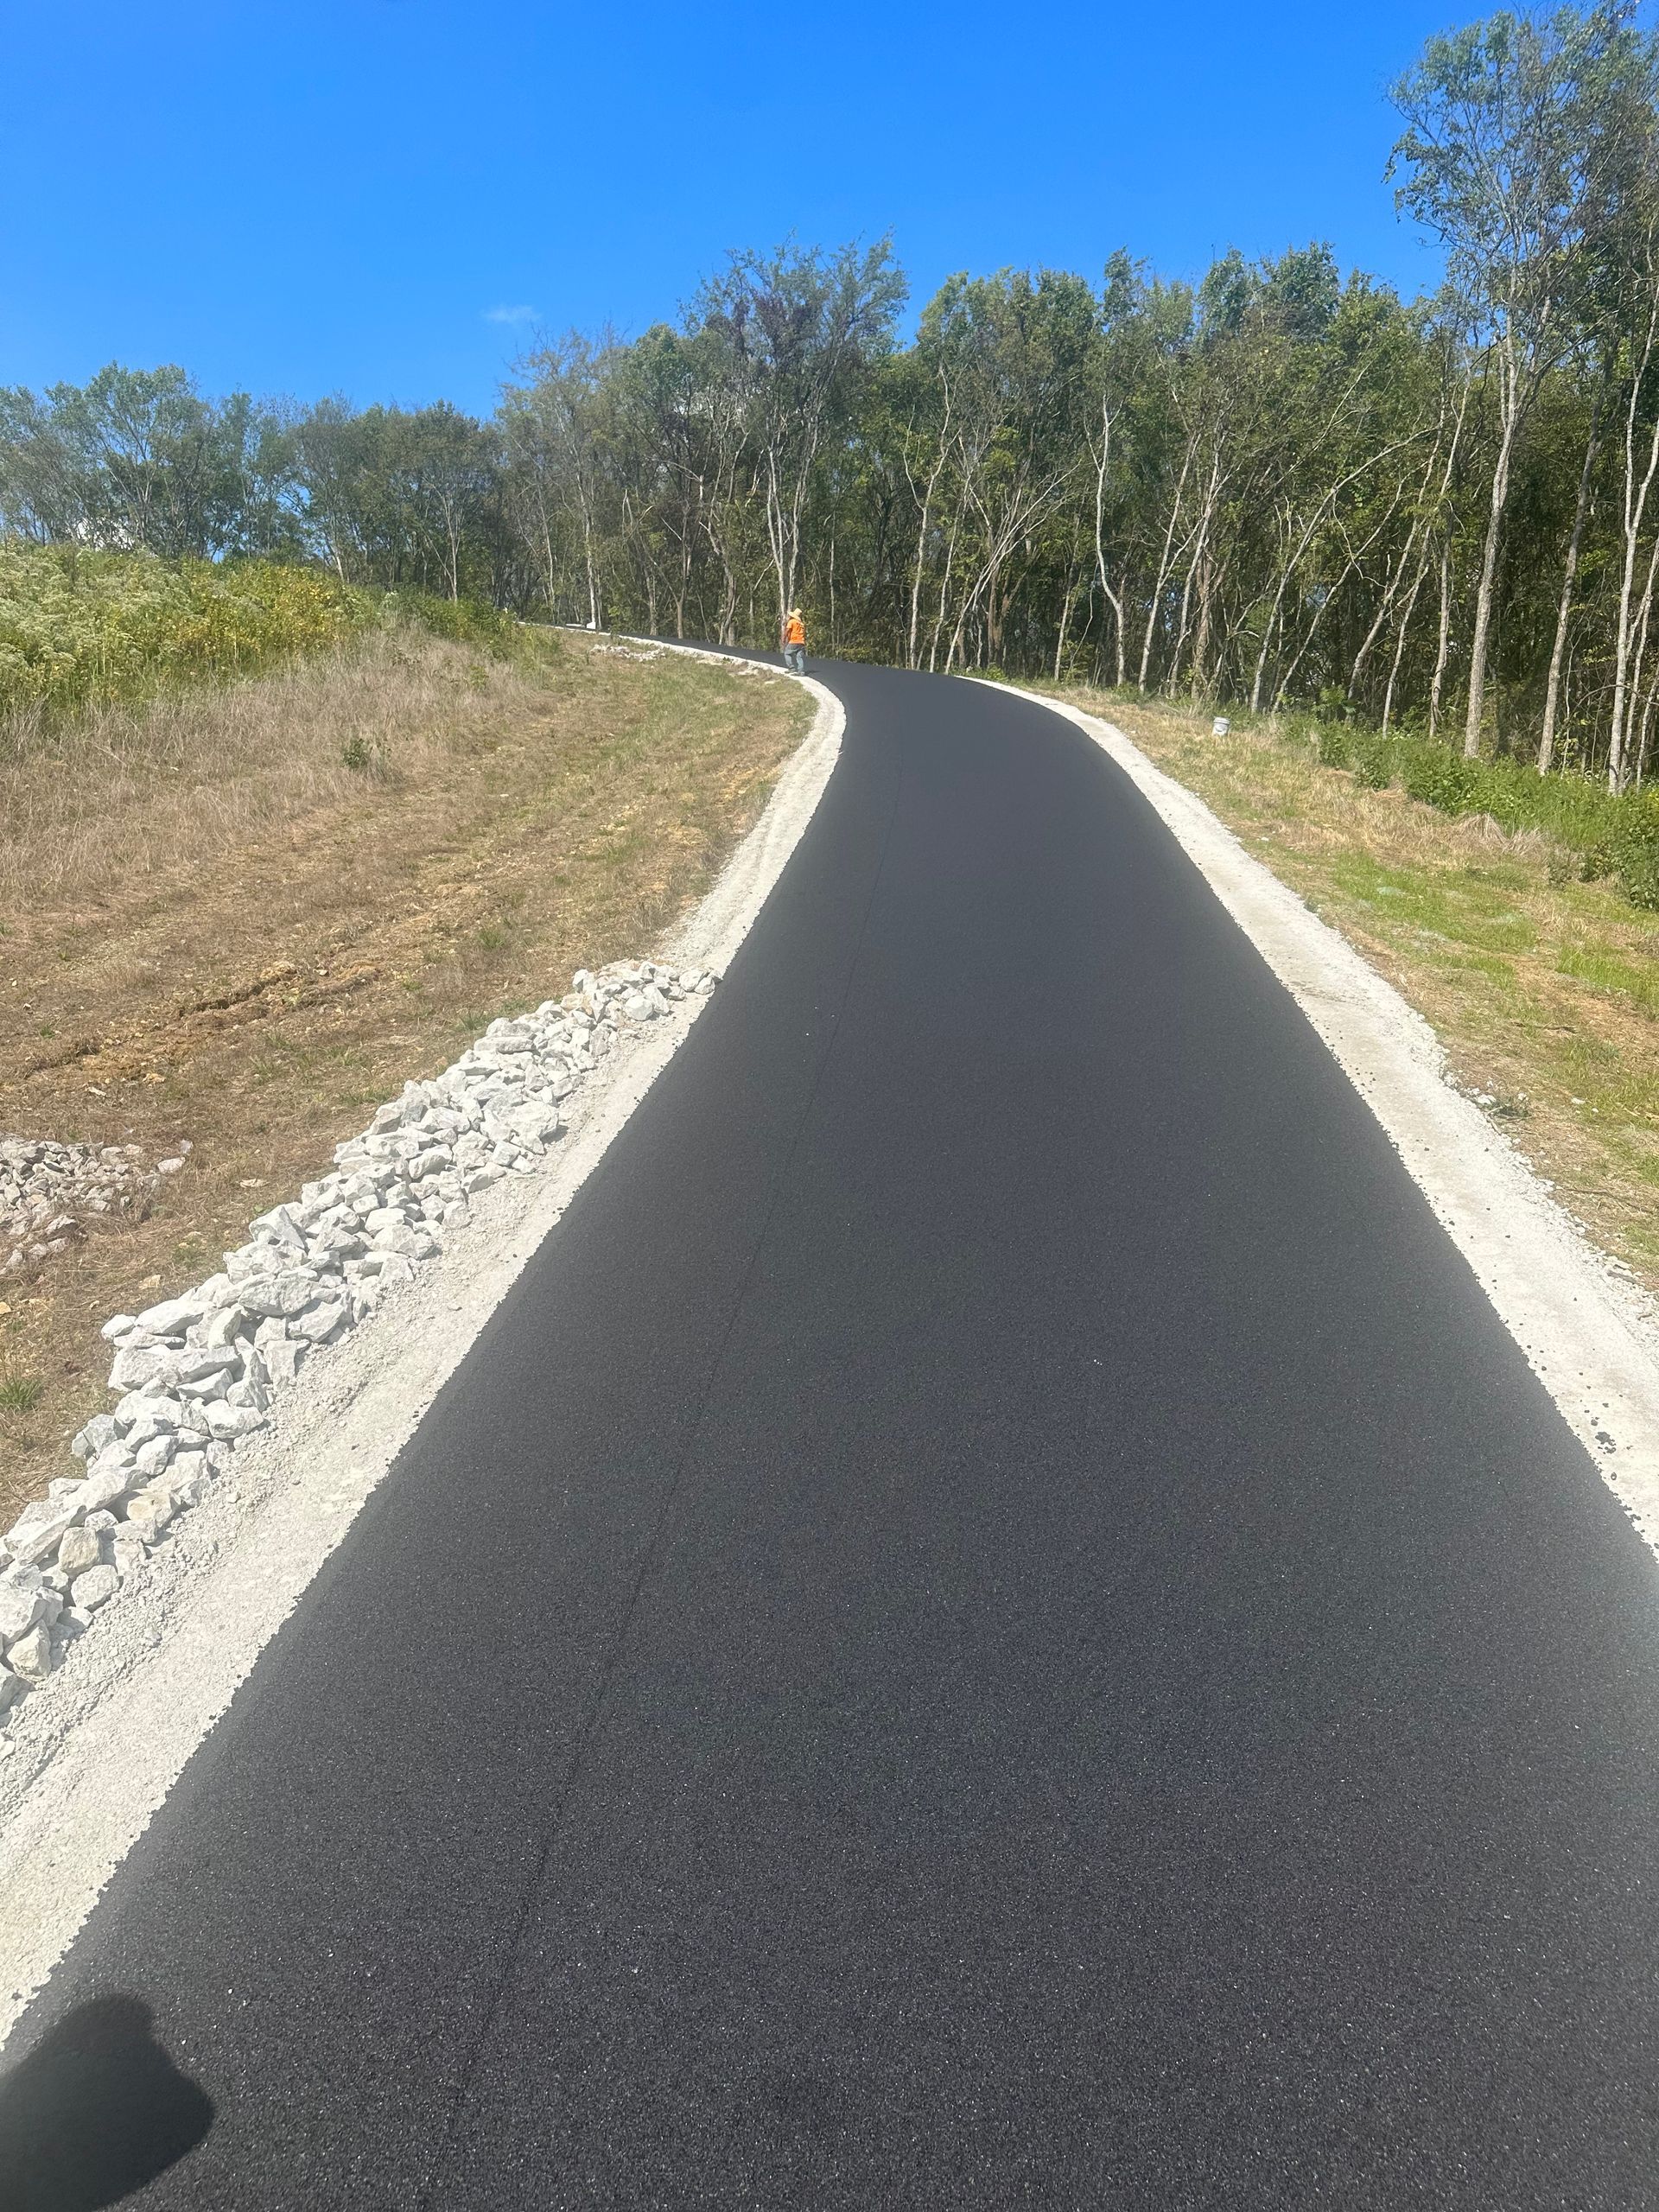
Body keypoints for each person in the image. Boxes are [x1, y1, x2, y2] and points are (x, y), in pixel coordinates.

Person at [783, 607, 806, 675]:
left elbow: (787, 630)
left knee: (787, 653)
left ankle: (791, 668)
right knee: (799, 656)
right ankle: (801, 671)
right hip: (801, 642)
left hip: (794, 641)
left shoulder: (792, 621)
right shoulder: (801, 624)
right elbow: (804, 633)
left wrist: (784, 638)